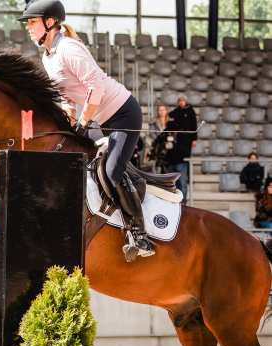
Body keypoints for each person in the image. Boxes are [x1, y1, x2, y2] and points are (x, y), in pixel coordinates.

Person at [19, 0, 154, 259]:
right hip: (100, 119)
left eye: (32, 22)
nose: (29, 27)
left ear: (50, 22)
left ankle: (139, 235)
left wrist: (82, 122)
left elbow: (96, 88)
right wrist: (68, 116)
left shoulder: (69, 48)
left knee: (111, 172)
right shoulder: (48, 57)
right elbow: (65, 94)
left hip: (124, 114)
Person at [162, 95, 197, 201]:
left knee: (182, 182)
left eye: (183, 101)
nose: (181, 102)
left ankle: (183, 201)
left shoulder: (190, 111)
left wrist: (194, 138)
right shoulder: (175, 112)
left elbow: (194, 125)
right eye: (180, 101)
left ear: (185, 101)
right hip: (173, 154)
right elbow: (170, 118)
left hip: (184, 147)